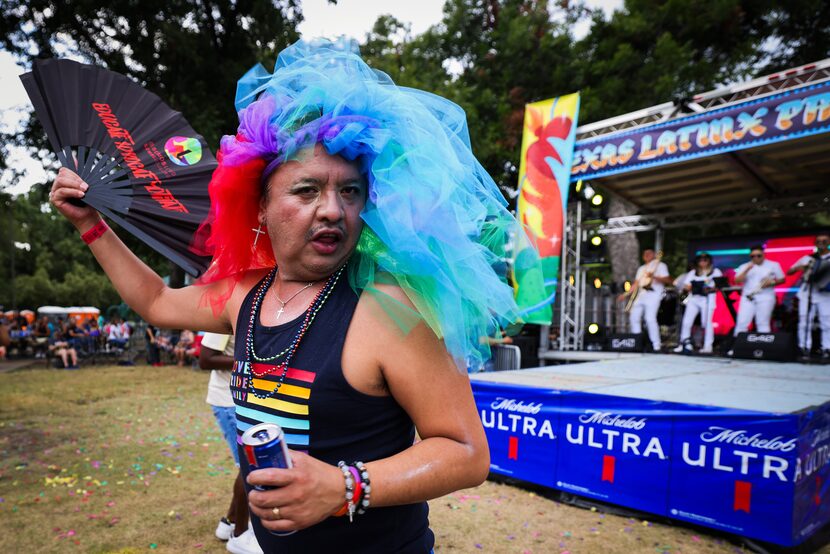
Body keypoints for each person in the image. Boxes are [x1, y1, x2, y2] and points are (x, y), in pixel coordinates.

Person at [47, 38, 542, 552]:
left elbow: (466, 453)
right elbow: (155, 303)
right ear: (259, 206)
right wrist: (91, 226)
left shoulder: (388, 308)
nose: (332, 209)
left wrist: (344, 487)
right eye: (306, 190)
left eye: (349, 191)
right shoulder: (246, 294)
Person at [199, 332, 260, 554]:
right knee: (249, 466)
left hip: (242, 399)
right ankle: (240, 534)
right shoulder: (222, 317)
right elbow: (205, 359)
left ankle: (230, 522)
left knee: (246, 466)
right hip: (228, 401)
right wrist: (253, 364)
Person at [618, 249, 671, 352]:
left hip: (654, 293)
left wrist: (654, 276)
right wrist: (626, 294)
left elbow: (668, 280)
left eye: (649, 253)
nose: (646, 255)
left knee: (650, 318)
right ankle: (637, 342)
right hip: (642, 294)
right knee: (634, 316)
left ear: (654, 255)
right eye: (645, 253)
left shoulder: (660, 265)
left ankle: (656, 345)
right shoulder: (641, 268)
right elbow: (636, 283)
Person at [788, 233, 830, 361]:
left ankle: (826, 348)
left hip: (825, 295)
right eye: (818, 241)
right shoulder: (808, 258)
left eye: (824, 240)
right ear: (815, 243)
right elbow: (789, 271)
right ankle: (804, 347)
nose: (821, 243)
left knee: (827, 322)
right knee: (804, 322)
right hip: (807, 293)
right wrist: (799, 268)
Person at [673, 253, 722, 354]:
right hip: (694, 299)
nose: (703, 262)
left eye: (705, 260)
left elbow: (719, 285)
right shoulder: (693, 273)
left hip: (708, 299)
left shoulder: (715, 271)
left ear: (709, 261)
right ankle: (684, 344)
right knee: (687, 322)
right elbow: (686, 286)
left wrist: (708, 288)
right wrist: (693, 287)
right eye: (700, 260)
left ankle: (708, 346)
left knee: (706, 322)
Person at [733, 245, 785, 336]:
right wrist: (747, 269)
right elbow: (737, 280)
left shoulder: (773, 265)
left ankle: (763, 347)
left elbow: (782, 279)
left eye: (758, 255)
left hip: (766, 297)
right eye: (753, 256)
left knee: (762, 323)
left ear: (763, 255)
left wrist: (772, 282)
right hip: (748, 297)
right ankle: (737, 347)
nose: (756, 258)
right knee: (742, 322)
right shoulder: (745, 266)